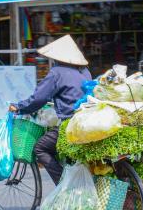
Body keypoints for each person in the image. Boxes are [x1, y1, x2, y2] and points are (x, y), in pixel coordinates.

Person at [9, 35, 90, 184]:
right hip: (87, 121)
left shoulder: (57, 72)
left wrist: (19, 107)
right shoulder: (85, 71)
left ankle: (65, 187)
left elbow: (39, 98)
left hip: (71, 124)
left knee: (40, 148)